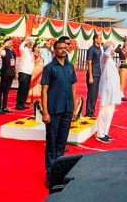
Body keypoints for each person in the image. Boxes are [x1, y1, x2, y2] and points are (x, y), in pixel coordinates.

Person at [41, 39, 77, 189]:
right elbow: (44, 91)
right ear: (54, 51)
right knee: (52, 144)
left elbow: (74, 88)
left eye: (65, 48)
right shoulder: (49, 68)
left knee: (62, 143)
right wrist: (45, 112)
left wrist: (74, 109)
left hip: (67, 110)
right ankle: (50, 175)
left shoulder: (70, 67)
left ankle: (60, 173)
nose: (63, 50)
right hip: (54, 110)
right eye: (60, 48)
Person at [96, 42, 121, 143]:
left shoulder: (110, 58)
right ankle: (100, 134)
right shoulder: (104, 56)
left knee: (110, 111)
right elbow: (106, 54)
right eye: (112, 47)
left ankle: (105, 132)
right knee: (104, 111)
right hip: (106, 88)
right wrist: (109, 46)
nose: (114, 49)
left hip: (113, 88)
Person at [0, 38, 16, 114]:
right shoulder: (4, 51)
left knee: (7, 91)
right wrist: (4, 45)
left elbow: (13, 63)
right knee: (1, 90)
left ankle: (4, 107)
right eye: (9, 42)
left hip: (11, 73)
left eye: (12, 42)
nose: (11, 44)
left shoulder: (12, 52)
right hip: (5, 73)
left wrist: (15, 72)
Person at [85, 33, 102, 117]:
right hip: (93, 74)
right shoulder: (91, 49)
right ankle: (88, 112)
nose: (101, 40)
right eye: (100, 38)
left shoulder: (99, 49)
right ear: (95, 39)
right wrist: (90, 76)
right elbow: (89, 62)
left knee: (95, 94)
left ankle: (92, 111)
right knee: (91, 93)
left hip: (98, 73)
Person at [15, 38, 34, 110]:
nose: (31, 44)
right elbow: (20, 47)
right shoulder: (24, 50)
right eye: (30, 43)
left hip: (29, 72)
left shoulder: (30, 52)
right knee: (22, 88)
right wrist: (25, 41)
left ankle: (22, 103)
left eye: (31, 43)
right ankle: (18, 104)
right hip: (23, 71)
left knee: (26, 89)